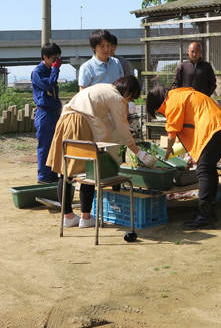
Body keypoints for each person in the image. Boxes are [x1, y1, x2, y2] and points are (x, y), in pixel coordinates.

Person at [46, 76, 155, 228]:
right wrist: (140, 154)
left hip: (64, 122)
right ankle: (85, 217)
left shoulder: (104, 88)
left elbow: (108, 121)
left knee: (65, 172)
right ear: (128, 90)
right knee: (89, 170)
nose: (130, 101)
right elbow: (123, 130)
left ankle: (68, 217)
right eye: (132, 97)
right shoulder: (117, 98)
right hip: (81, 124)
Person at [146, 85, 221, 228]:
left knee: (203, 171)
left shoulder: (173, 100)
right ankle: (209, 211)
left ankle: (204, 216)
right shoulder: (185, 94)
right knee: (209, 168)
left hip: (213, 130)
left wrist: (168, 149)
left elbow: (172, 130)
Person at [31, 42, 62, 184]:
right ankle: (43, 176)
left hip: (54, 112)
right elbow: (48, 84)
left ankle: (53, 173)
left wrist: (54, 69)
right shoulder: (38, 72)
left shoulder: (50, 69)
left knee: (55, 144)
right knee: (45, 145)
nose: (56, 62)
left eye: (58, 58)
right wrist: (55, 69)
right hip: (44, 113)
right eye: (54, 59)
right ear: (45, 57)